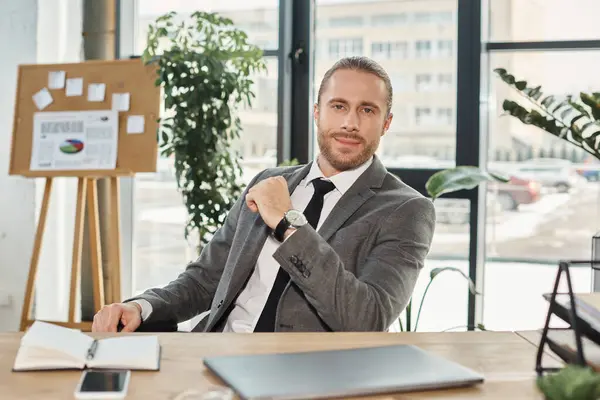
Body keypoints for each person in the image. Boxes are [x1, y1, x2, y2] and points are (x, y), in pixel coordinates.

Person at [92, 56, 436, 333]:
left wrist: (288, 224)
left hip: (307, 376)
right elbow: (206, 278)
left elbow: (367, 319)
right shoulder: (270, 182)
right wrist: (141, 306)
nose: (349, 122)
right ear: (317, 112)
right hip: (218, 354)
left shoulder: (406, 210)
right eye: (338, 106)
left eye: (367, 110)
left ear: (386, 123)